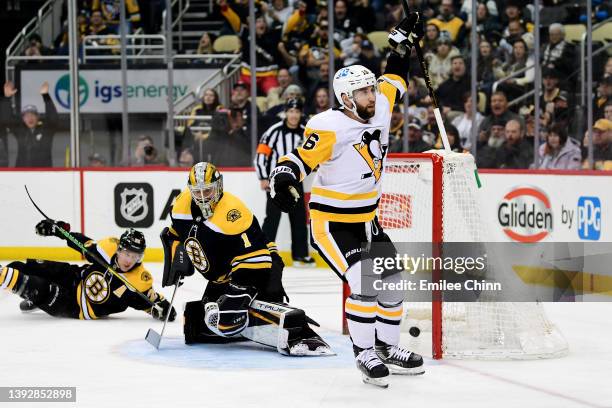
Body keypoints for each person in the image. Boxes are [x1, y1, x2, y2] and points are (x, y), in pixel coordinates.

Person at [269, 13, 426, 387]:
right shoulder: (327, 125)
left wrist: (401, 44)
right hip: (332, 223)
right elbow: (297, 159)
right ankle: (364, 354)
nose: (372, 95)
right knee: (365, 282)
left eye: (371, 90)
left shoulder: (381, 104)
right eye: (363, 92)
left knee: (392, 282)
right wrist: (283, 177)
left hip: (368, 219)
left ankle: (387, 348)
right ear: (346, 99)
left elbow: (396, 77)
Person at [162, 162, 331, 355]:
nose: (202, 198)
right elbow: (176, 232)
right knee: (197, 321)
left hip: (263, 264)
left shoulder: (232, 212)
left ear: (218, 187)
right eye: (197, 192)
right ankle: (244, 316)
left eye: (207, 191)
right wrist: (176, 255)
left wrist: (239, 293)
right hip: (225, 273)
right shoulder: (180, 205)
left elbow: (256, 259)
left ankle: (300, 332)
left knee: (230, 314)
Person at [1, 225, 175, 321]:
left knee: (38, 287)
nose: (129, 260)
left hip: (76, 305)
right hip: (74, 276)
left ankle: (36, 297)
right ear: (119, 249)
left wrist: (165, 309)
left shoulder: (139, 280)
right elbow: (81, 243)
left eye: (135, 256)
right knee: (24, 266)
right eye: (127, 254)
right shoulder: (107, 249)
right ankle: (36, 299)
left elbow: (153, 302)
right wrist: (58, 230)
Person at [255, 99, 314, 268]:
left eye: (297, 112)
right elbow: (261, 155)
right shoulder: (274, 131)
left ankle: (300, 255)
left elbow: (311, 155)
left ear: (300, 113)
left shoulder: (305, 132)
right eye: (291, 111)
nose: (294, 115)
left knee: (299, 218)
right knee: (272, 218)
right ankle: (264, 252)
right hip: (275, 181)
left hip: (296, 181)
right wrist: (263, 177)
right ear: (285, 113)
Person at [2, 81, 59, 167]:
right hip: (22, 173)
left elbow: (53, 118)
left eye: (33, 115)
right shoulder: (20, 130)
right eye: (27, 116)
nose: (30, 118)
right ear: (23, 119)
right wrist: (7, 98)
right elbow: (6, 119)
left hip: (44, 174)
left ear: (38, 117)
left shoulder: (46, 129)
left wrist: (46, 96)